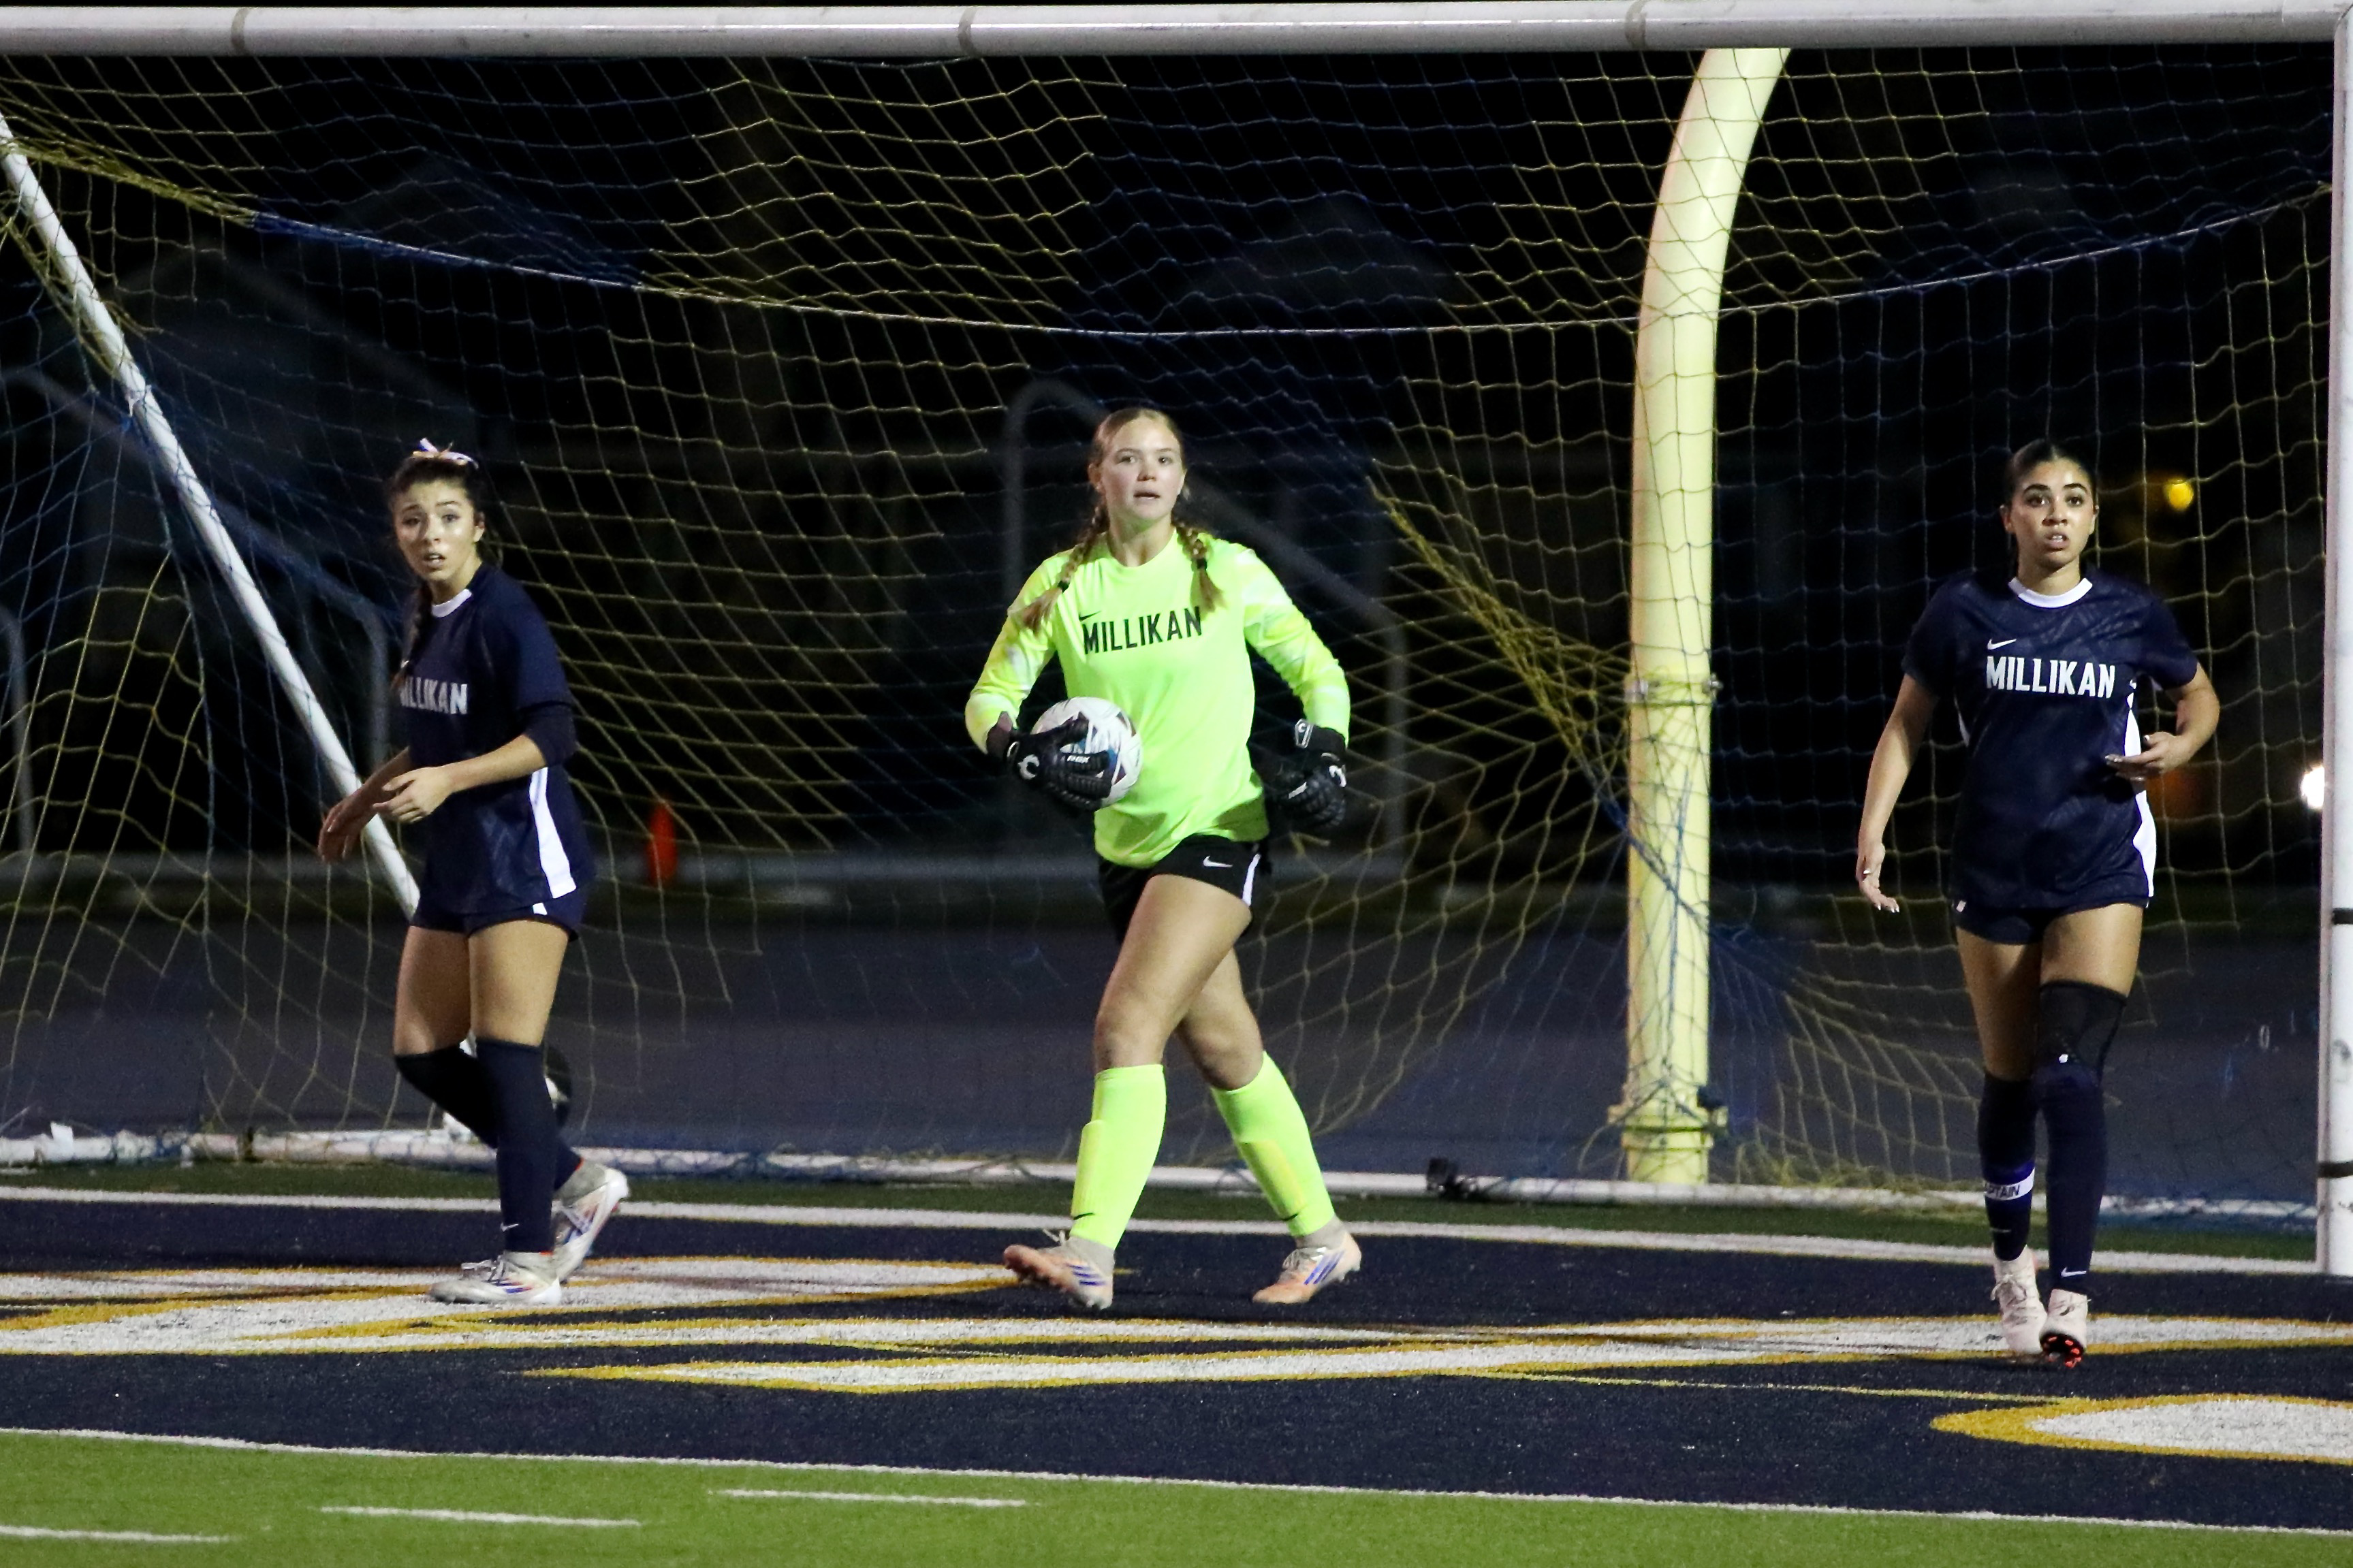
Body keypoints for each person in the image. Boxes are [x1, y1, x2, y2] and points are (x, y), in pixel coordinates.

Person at [965, 406, 1361, 1310]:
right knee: (1225, 1049)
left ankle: (1091, 1244)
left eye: (1165, 459)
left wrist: (1329, 753)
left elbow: (1320, 671)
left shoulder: (1222, 569)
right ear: (1095, 477)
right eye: (1127, 458)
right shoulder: (1062, 585)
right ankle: (1324, 1235)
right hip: (1124, 851)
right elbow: (987, 698)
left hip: (1220, 829)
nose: (1147, 472)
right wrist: (1017, 747)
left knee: (1125, 1024)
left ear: (1182, 481)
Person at [1856, 438, 2217, 1365]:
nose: (2054, 512)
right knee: (2011, 1075)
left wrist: (2177, 749)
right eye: (2034, 497)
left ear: (2093, 516)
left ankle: (2071, 1291)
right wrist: (1872, 831)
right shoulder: (1964, 609)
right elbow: (1905, 720)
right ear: (2007, 516)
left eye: (2072, 498)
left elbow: (2197, 697)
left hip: (2097, 860)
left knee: (2067, 1068)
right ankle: (2010, 1266)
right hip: (1993, 864)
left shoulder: (2129, 612)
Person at [319, 441, 628, 1306]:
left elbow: (552, 736)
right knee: (420, 1050)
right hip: (459, 864)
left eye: (448, 518)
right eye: (413, 519)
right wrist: (362, 797)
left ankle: (529, 1263)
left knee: (505, 1053)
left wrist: (449, 780)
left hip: (524, 857)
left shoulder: (504, 615)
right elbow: (437, 736)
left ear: (479, 527)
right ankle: (573, 1180)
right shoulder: (426, 613)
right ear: (395, 531)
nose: (430, 534)